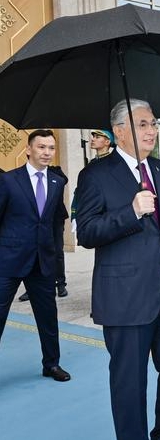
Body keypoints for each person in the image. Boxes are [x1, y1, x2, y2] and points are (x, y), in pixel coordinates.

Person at [76, 99, 160, 440]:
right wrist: (130, 212)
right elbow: (86, 232)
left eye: (154, 124)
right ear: (119, 132)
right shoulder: (95, 175)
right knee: (129, 382)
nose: (152, 131)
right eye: (142, 124)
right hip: (125, 298)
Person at [0, 129, 71, 382]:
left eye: (51, 148)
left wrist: (53, 254)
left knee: (48, 316)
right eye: (41, 147)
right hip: (9, 260)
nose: (47, 152)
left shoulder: (57, 181)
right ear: (28, 149)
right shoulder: (9, 180)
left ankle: (51, 364)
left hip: (43, 261)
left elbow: (52, 222)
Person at [18, 164, 69, 301]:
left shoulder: (55, 171)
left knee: (57, 252)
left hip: (55, 220)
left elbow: (64, 180)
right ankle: (31, 288)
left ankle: (60, 284)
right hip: (35, 221)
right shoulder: (23, 176)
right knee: (34, 252)